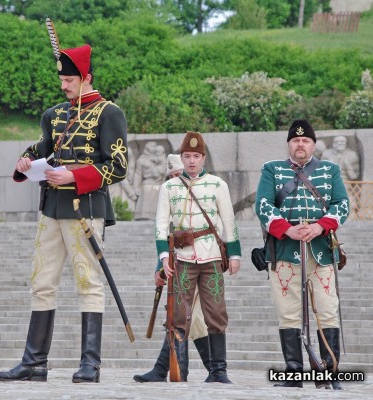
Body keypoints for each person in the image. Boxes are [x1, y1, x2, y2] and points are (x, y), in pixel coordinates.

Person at [0, 34, 128, 384]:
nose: (64, 86)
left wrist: (74, 174)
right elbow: (43, 147)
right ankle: (34, 362)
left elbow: (118, 166)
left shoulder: (109, 113)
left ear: (86, 77)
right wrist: (26, 161)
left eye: (70, 80)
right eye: (62, 80)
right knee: (42, 281)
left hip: (84, 207)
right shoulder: (53, 115)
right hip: (51, 207)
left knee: (87, 282)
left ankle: (90, 364)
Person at [254, 119, 349, 390]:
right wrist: (287, 230)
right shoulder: (272, 169)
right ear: (288, 144)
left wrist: (320, 226)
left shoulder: (330, 170)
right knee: (288, 313)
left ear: (313, 144)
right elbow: (263, 205)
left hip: (321, 250)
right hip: (284, 250)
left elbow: (342, 204)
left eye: (305, 140)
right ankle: (294, 373)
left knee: (328, 310)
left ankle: (328, 373)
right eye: (296, 140)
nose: (300, 144)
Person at [155, 132, 241, 384]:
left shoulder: (217, 184)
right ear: (182, 158)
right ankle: (179, 369)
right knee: (179, 315)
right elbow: (161, 224)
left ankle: (218, 371)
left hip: (212, 256)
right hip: (181, 258)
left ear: (203, 158)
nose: (191, 161)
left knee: (216, 313)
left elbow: (229, 221)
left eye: (196, 156)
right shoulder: (169, 187)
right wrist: (163, 257)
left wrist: (234, 255)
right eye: (187, 156)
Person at [133, 154, 211, 383]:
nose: (175, 180)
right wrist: (160, 270)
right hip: (176, 270)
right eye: (172, 176)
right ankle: (203, 370)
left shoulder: (201, 200)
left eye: (179, 175)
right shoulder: (170, 202)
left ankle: (210, 369)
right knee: (185, 320)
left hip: (199, 266)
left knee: (188, 320)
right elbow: (166, 241)